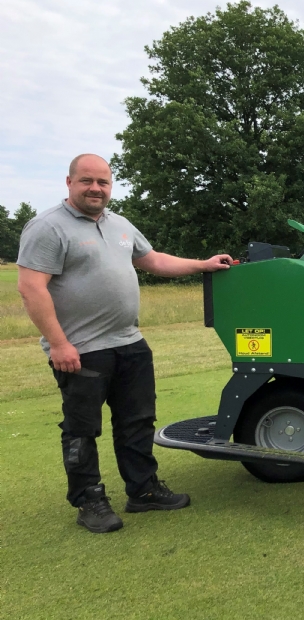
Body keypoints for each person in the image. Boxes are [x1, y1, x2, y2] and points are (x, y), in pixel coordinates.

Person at [17, 154, 233, 534]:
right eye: (87, 181)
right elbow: (31, 288)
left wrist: (203, 264)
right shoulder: (47, 227)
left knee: (137, 421)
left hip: (129, 342)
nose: (95, 188)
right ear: (69, 182)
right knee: (82, 429)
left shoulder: (120, 224)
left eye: (103, 182)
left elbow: (154, 261)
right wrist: (58, 344)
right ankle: (89, 500)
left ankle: (143, 491)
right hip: (81, 349)